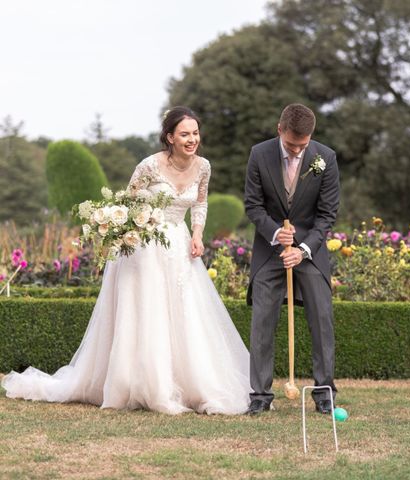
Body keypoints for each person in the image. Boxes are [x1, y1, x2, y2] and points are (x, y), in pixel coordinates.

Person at [1, 107, 251, 415]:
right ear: (170, 137)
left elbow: (200, 203)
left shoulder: (203, 167)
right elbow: (127, 204)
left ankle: (190, 385)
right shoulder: (149, 166)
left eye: (195, 133)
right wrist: (130, 227)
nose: (192, 139)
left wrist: (197, 235)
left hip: (181, 245)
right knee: (148, 312)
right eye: (184, 134)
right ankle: (144, 385)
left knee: (185, 312)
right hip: (145, 248)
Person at [244, 103, 340, 415]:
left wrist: (304, 248)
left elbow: (327, 215)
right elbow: (253, 205)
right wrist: (275, 233)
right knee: (262, 323)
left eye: (304, 145)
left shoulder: (326, 158)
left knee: (322, 320)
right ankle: (260, 396)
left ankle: (324, 393)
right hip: (270, 251)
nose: (298, 151)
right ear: (279, 130)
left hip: (309, 252)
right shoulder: (259, 155)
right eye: (291, 144)